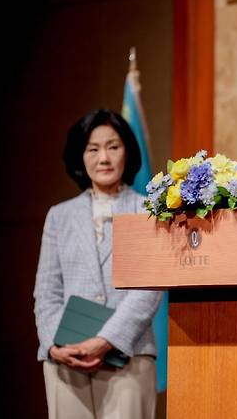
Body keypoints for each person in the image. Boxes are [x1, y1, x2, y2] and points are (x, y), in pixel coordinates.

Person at [34, 109, 161, 418]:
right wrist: (54, 345)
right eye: (93, 149)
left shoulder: (148, 211)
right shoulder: (59, 216)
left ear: (127, 152)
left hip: (127, 357)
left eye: (113, 147)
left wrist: (105, 340)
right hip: (66, 361)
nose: (104, 158)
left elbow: (149, 288)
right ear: (80, 156)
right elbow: (46, 292)